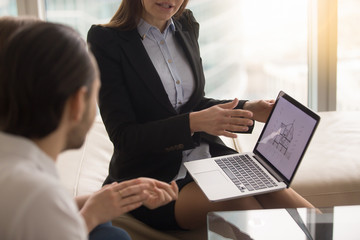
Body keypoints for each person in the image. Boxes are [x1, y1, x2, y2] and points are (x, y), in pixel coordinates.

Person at [87, 0, 314, 231]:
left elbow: (193, 103)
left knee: (290, 201)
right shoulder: (106, 40)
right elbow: (124, 136)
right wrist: (193, 123)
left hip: (204, 155)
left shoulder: (185, 23)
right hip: (152, 175)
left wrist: (249, 108)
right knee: (251, 212)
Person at [0, 18, 178, 240]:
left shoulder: (15, 167)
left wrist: (113, 196)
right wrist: (92, 215)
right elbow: (43, 209)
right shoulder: (37, 193)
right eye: (96, 93)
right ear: (77, 104)